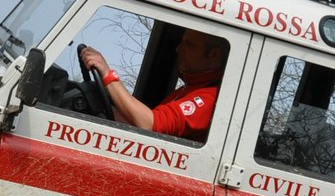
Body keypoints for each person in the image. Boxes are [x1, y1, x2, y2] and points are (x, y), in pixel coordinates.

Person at [78, 29, 228, 142]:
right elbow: (137, 124)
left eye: (189, 44)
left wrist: (107, 75)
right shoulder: (190, 89)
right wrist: (99, 106)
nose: (178, 49)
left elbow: (149, 124)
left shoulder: (209, 99)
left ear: (214, 55)